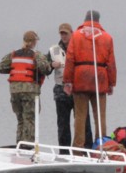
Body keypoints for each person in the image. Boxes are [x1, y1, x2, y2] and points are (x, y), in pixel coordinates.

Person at [66, 12, 117, 147]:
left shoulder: (76, 36)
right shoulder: (107, 37)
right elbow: (111, 63)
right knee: (100, 116)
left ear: (85, 19)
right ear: (99, 20)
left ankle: (78, 148)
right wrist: (112, 83)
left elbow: (70, 59)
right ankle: (101, 145)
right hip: (100, 77)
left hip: (80, 76)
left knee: (80, 116)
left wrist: (67, 81)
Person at [0, 31, 51, 145]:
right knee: (29, 119)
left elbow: (0, 67)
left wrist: (14, 69)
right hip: (30, 90)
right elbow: (45, 69)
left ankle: (19, 143)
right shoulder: (36, 54)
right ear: (33, 42)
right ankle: (28, 146)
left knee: (20, 119)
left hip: (14, 91)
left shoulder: (13, 54)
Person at [48, 23, 74, 147]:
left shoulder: (78, 47)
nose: (63, 36)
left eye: (66, 33)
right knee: (63, 124)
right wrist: (51, 65)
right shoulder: (54, 50)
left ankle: (84, 150)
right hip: (60, 89)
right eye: (61, 33)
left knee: (82, 122)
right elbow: (45, 68)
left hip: (77, 89)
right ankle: (64, 151)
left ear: (71, 33)